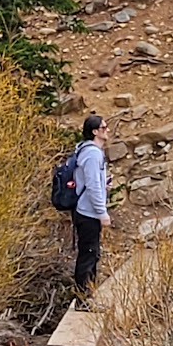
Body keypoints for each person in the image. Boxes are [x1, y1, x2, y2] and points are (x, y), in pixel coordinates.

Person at [72, 113, 111, 297]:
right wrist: (102, 213)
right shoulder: (93, 154)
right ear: (95, 131)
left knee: (90, 254)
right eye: (104, 128)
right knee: (88, 255)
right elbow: (93, 185)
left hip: (85, 211)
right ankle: (83, 297)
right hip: (88, 213)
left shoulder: (85, 151)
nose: (107, 130)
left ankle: (88, 295)